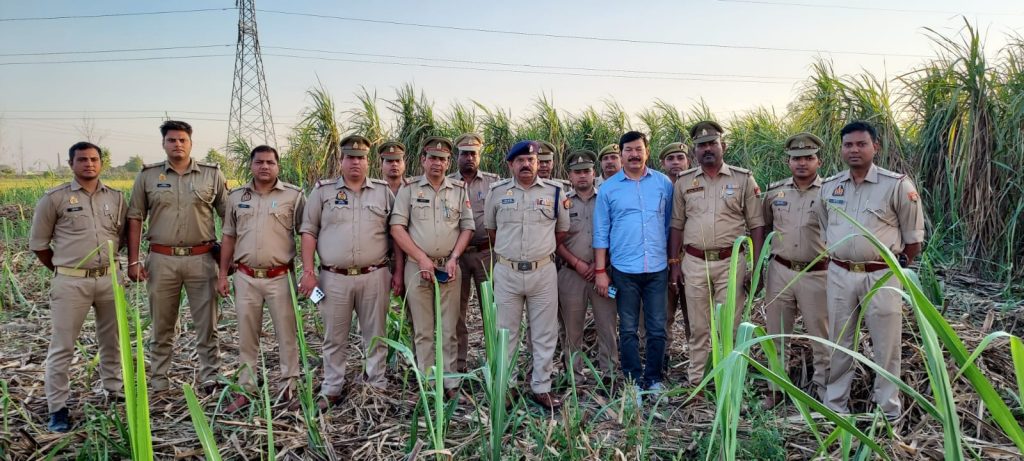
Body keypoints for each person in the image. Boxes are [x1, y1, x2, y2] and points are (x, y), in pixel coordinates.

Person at [819, 121, 924, 421]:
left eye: (861, 144)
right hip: (840, 275)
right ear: (841, 149)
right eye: (848, 145)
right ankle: (835, 406)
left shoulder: (896, 185)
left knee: (886, 345)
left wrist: (895, 268)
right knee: (839, 342)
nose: (854, 150)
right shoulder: (830, 187)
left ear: (875, 147)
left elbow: (914, 240)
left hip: (881, 275)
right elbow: (825, 228)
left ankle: (888, 411)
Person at [298, 134, 403, 409]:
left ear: (368, 162)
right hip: (333, 279)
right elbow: (308, 232)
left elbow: (396, 234)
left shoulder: (383, 192)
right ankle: (332, 387)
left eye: (361, 158)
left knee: (376, 334)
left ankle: (376, 385)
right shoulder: (323, 192)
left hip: (375, 275)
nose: (356, 162)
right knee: (334, 336)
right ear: (341, 160)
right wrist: (308, 272)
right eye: (350, 157)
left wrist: (398, 272)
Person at [30, 141, 126, 432]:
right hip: (71, 282)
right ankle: (57, 408)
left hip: (109, 279)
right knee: (63, 346)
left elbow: (120, 236)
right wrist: (64, 271)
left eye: (94, 159)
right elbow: (39, 245)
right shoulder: (54, 199)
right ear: (71, 164)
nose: (89, 164)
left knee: (112, 340)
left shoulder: (116, 198)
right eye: (82, 159)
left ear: (101, 163)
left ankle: (114, 390)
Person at [127, 120, 228, 393]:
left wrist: (227, 261)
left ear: (191, 143)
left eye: (182, 140)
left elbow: (229, 217)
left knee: (207, 324)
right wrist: (134, 261)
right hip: (162, 260)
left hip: (202, 259)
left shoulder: (211, 175)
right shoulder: (148, 176)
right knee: (161, 325)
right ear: (163, 144)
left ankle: (210, 377)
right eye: (171, 140)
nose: (177, 145)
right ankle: (159, 379)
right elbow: (135, 217)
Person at [668, 121, 764, 387]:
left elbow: (757, 225)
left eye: (712, 143)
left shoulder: (743, 179)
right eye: (701, 145)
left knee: (729, 327)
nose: (707, 149)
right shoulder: (685, 182)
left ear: (724, 146)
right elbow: (677, 224)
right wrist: (674, 263)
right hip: (694, 262)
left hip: (731, 263)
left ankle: (728, 382)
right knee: (698, 328)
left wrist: (756, 266)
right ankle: (697, 382)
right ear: (695, 150)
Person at [217, 145, 306, 412]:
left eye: (270, 162)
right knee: (246, 336)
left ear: (278, 166)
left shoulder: (294, 196)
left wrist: (308, 271)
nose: (264, 167)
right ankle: (246, 389)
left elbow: (307, 234)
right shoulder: (236, 197)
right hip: (245, 277)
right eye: (259, 162)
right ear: (251, 165)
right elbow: (228, 236)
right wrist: (222, 274)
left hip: (280, 277)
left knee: (287, 335)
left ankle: (289, 388)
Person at [484, 140, 570, 410]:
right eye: (520, 161)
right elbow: (492, 231)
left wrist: (538, 252)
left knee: (544, 333)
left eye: (531, 160)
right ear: (510, 164)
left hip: (542, 272)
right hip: (507, 272)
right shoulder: (497, 192)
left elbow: (561, 231)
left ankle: (541, 387)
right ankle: (505, 387)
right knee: (505, 333)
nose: (526, 165)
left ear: (537, 163)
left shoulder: (555, 191)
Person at [390, 137, 474, 398]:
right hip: (417, 268)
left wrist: (454, 257)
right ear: (423, 160)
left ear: (449, 163)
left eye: (443, 159)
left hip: (449, 268)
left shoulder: (459, 190)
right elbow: (397, 228)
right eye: (433, 158)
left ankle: (450, 383)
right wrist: (421, 258)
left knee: (449, 330)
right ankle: (427, 384)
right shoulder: (409, 189)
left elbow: (467, 227)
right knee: (423, 331)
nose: (437, 163)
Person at [593, 131, 674, 397]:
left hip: (657, 269)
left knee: (657, 327)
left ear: (647, 152)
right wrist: (601, 271)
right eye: (628, 150)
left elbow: (669, 224)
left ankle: (654, 379)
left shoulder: (663, 184)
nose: (634, 155)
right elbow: (601, 232)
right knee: (628, 329)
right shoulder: (609, 189)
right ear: (621, 154)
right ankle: (633, 383)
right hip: (624, 270)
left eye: (639, 149)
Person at [760, 133, 830, 409]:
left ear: (819, 161)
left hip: (817, 273)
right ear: (788, 162)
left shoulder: (830, 192)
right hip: (780, 270)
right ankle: (776, 390)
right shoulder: (775, 192)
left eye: (808, 158)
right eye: (796, 158)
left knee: (821, 337)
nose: (802, 163)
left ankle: (824, 393)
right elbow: (764, 228)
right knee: (777, 336)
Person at [555, 150, 618, 384]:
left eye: (586, 171)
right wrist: (578, 263)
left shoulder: (607, 198)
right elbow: (554, 240)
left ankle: (609, 374)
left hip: (604, 274)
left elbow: (618, 234)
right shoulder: (562, 202)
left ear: (594, 173)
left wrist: (602, 265)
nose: (582, 176)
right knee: (572, 329)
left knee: (607, 325)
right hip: (571, 274)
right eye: (577, 172)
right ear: (569, 176)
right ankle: (574, 376)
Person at [448, 132, 500, 372]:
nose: (469, 158)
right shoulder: (447, 183)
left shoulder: (493, 183)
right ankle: (459, 365)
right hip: (455, 257)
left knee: (491, 310)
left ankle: (494, 364)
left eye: (473, 154)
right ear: (457, 156)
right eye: (464, 154)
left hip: (485, 254)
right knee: (456, 313)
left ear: (479, 156)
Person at [658, 141, 691, 364]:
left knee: (694, 316)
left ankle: (697, 362)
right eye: (670, 159)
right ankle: (663, 360)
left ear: (688, 161)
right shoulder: (657, 188)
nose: (676, 162)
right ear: (663, 163)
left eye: (680, 157)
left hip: (691, 260)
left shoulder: (695, 186)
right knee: (664, 315)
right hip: (662, 260)